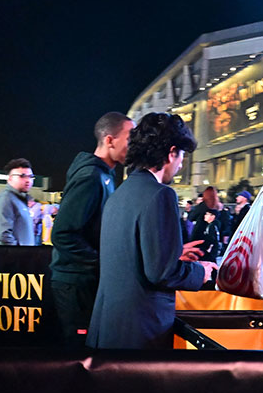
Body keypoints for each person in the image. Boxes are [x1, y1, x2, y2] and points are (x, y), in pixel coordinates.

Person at [87, 112, 215, 349]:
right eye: (181, 157)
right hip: (140, 331)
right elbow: (162, 273)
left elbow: (132, 256)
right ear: (171, 152)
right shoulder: (161, 195)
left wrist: (173, 254)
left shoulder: (120, 193)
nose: (180, 165)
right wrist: (201, 272)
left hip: (109, 327)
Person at [49, 111, 134, 345]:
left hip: (84, 280)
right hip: (76, 284)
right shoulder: (90, 177)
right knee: (80, 354)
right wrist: (101, 261)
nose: (135, 145)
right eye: (130, 138)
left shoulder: (104, 175)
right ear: (109, 140)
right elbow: (63, 234)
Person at [0, 158, 35, 245]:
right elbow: (3, 236)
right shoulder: (5, 199)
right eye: (22, 176)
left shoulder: (20, 200)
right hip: (14, 257)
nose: (28, 180)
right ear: (10, 179)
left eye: (30, 177)